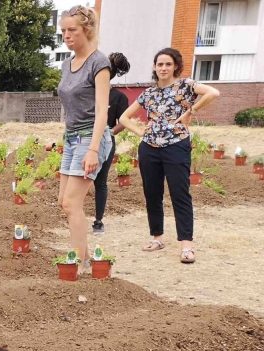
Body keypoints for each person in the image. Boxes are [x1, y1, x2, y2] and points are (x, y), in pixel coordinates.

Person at [119, 48, 220, 264]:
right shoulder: (149, 93)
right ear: (155, 67)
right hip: (149, 149)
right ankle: (157, 238)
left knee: (179, 194)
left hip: (176, 146)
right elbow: (124, 117)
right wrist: (140, 131)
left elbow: (213, 92)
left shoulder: (186, 86)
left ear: (175, 66)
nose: (163, 68)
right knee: (152, 194)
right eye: (159, 64)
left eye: (167, 64)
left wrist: (191, 111)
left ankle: (186, 245)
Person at [56, 5, 112, 272]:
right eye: (63, 31)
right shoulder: (68, 64)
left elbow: (102, 110)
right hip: (72, 138)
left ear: (86, 30)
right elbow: (70, 105)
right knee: (63, 202)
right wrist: (62, 136)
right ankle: (88, 259)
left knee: (71, 202)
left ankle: (79, 263)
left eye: (71, 30)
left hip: (91, 138)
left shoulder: (99, 63)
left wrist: (92, 150)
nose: (66, 35)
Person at [91, 52, 131, 235]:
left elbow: (123, 120)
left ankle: (98, 220)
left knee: (100, 182)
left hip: (104, 143)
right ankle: (89, 219)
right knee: (91, 181)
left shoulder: (118, 97)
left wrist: (108, 133)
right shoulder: (89, 91)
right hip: (84, 139)